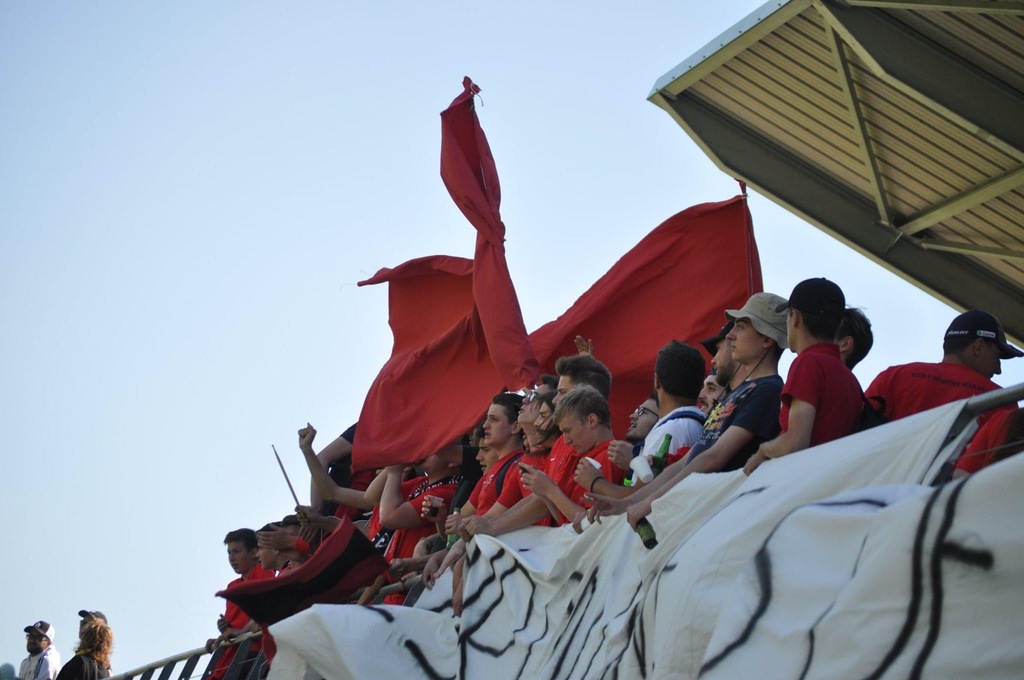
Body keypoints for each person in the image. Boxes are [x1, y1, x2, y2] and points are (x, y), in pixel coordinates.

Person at [587, 293, 788, 531]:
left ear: (766, 339)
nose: (731, 335)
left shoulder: (768, 390)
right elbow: (688, 460)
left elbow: (714, 457)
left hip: (723, 521)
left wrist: (648, 504)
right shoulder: (739, 392)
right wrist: (628, 503)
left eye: (741, 327)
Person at [745, 278, 862, 474]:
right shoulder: (850, 379)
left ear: (796, 318)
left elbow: (795, 442)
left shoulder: (808, 363)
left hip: (800, 478)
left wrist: (763, 450)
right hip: (831, 479)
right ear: (838, 324)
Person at [865, 309, 1022, 421]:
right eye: (998, 357)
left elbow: (855, 430)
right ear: (978, 347)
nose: (998, 369)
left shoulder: (893, 377)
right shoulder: (1001, 402)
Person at [204, 529, 274, 680]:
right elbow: (233, 628)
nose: (231, 558)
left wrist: (238, 631)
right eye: (229, 553)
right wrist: (225, 629)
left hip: (253, 653)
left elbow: (268, 609)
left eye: (236, 552)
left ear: (254, 552)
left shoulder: (263, 572)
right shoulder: (232, 586)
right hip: (234, 655)